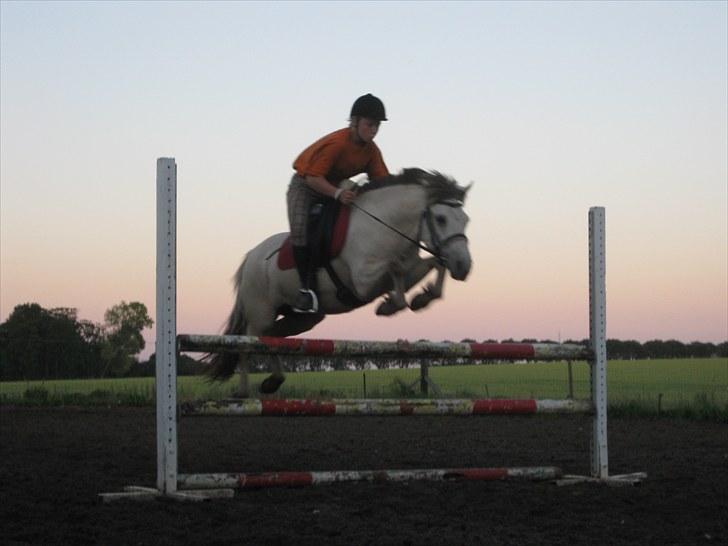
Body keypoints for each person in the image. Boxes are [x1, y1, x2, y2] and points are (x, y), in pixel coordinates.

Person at [287, 93, 390, 313]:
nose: (373, 130)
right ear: (354, 122)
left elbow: (383, 183)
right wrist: (337, 194)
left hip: (334, 185)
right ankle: (305, 291)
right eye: (369, 124)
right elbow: (313, 178)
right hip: (305, 186)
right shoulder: (337, 144)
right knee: (299, 231)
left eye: (377, 126)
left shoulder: (372, 151)